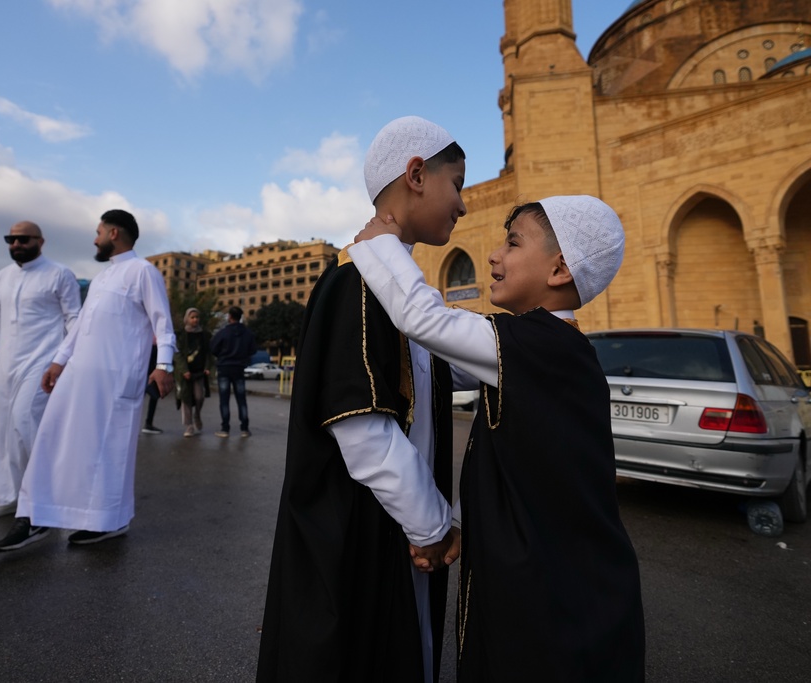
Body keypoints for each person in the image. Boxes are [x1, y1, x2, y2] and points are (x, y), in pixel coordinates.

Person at [350, 195, 646, 681]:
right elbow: (509, 449)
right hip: (555, 582)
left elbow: (425, 321)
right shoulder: (536, 350)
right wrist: (464, 521)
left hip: (557, 599)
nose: (493, 256)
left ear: (559, 270)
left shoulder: (541, 346)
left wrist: (378, 245)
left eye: (512, 243)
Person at [257, 116, 465, 683]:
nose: (464, 205)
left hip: (391, 526)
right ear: (417, 175)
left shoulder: (396, 287)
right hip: (357, 533)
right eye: (458, 184)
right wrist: (432, 527)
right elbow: (365, 433)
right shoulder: (356, 284)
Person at [0, 209, 175, 552]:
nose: (94, 238)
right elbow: (80, 327)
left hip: (117, 379)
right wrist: (59, 362)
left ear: (114, 233)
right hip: (78, 375)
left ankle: (110, 521)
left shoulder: (143, 271)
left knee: (109, 451)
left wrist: (164, 364)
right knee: (51, 438)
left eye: (98, 231)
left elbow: (162, 322)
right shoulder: (103, 277)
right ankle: (35, 516)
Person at [0, 221, 81, 520]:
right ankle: (8, 497)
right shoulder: (3, 276)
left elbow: (75, 320)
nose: (16, 244)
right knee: (1, 430)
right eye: (11, 239)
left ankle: (44, 496)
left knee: (25, 424)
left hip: (42, 363)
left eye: (23, 239)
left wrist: (67, 360)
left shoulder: (60, 274)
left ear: (40, 241)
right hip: (6, 365)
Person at [209, 306, 256, 438]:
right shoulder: (247, 333)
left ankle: (225, 428)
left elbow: (213, 347)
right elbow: (253, 349)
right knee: (241, 399)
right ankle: (245, 428)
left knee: (224, 400)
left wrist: (222, 356)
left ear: (229, 317)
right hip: (239, 368)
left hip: (224, 368)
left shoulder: (223, 333)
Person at [174, 307, 213, 437]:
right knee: (186, 399)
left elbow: (208, 352)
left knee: (199, 397)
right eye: (192, 317)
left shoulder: (204, 334)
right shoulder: (181, 334)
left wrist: (207, 367)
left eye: (197, 317)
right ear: (187, 319)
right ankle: (189, 425)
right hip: (185, 373)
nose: (195, 320)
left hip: (199, 372)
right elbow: (177, 353)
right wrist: (184, 370)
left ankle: (197, 415)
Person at [141, 340, 164, 435]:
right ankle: (146, 424)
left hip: (152, 371)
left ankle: (148, 424)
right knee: (151, 395)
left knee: (154, 396)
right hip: (144, 372)